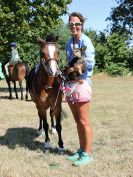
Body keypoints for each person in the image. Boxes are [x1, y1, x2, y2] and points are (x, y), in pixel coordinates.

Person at [65, 12, 95, 166]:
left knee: (84, 121)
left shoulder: (86, 41)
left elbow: (90, 63)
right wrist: (66, 71)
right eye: (71, 24)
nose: (74, 26)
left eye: (77, 24)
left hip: (82, 83)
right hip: (70, 85)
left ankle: (88, 154)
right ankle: (82, 150)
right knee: (77, 121)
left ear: (82, 25)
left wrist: (75, 67)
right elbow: (67, 62)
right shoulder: (69, 43)